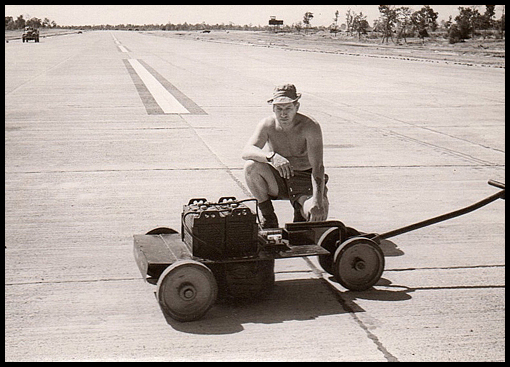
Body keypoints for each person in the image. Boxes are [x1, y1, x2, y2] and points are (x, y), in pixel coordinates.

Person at [242, 84, 329, 228]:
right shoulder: (267, 124)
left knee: (318, 214)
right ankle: (269, 217)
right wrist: (271, 157)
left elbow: (318, 167)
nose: (283, 114)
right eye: (279, 109)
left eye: (288, 108)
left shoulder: (310, 126)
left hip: (305, 180)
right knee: (251, 167)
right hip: (280, 179)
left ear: (297, 107)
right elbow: (247, 151)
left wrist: (318, 201)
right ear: (273, 108)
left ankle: (300, 212)